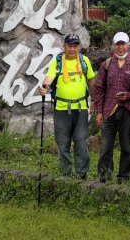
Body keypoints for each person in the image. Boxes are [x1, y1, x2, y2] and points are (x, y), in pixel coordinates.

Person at [40, 33, 96, 179]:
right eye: (69, 45)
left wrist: (95, 100)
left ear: (79, 47)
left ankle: (81, 174)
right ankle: (66, 173)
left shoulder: (84, 61)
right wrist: (45, 86)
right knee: (63, 143)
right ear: (64, 46)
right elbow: (50, 77)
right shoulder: (57, 62)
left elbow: (91, 81)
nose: (72, 49)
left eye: (75, 45)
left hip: (81, 107)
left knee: (81, 141)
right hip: (61, 108)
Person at [95, 32, 130, 183]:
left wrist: (129, 95)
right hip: (109, 110)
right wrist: (99, 111)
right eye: (118, 44)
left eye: (123, 44)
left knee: (126, 145)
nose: (120, 47)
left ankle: (124, 176)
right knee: (106, 145)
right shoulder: (107, 64)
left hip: (128, 110)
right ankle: (104, 174)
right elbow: (99, 88)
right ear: (113, 45)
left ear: (128, 45)